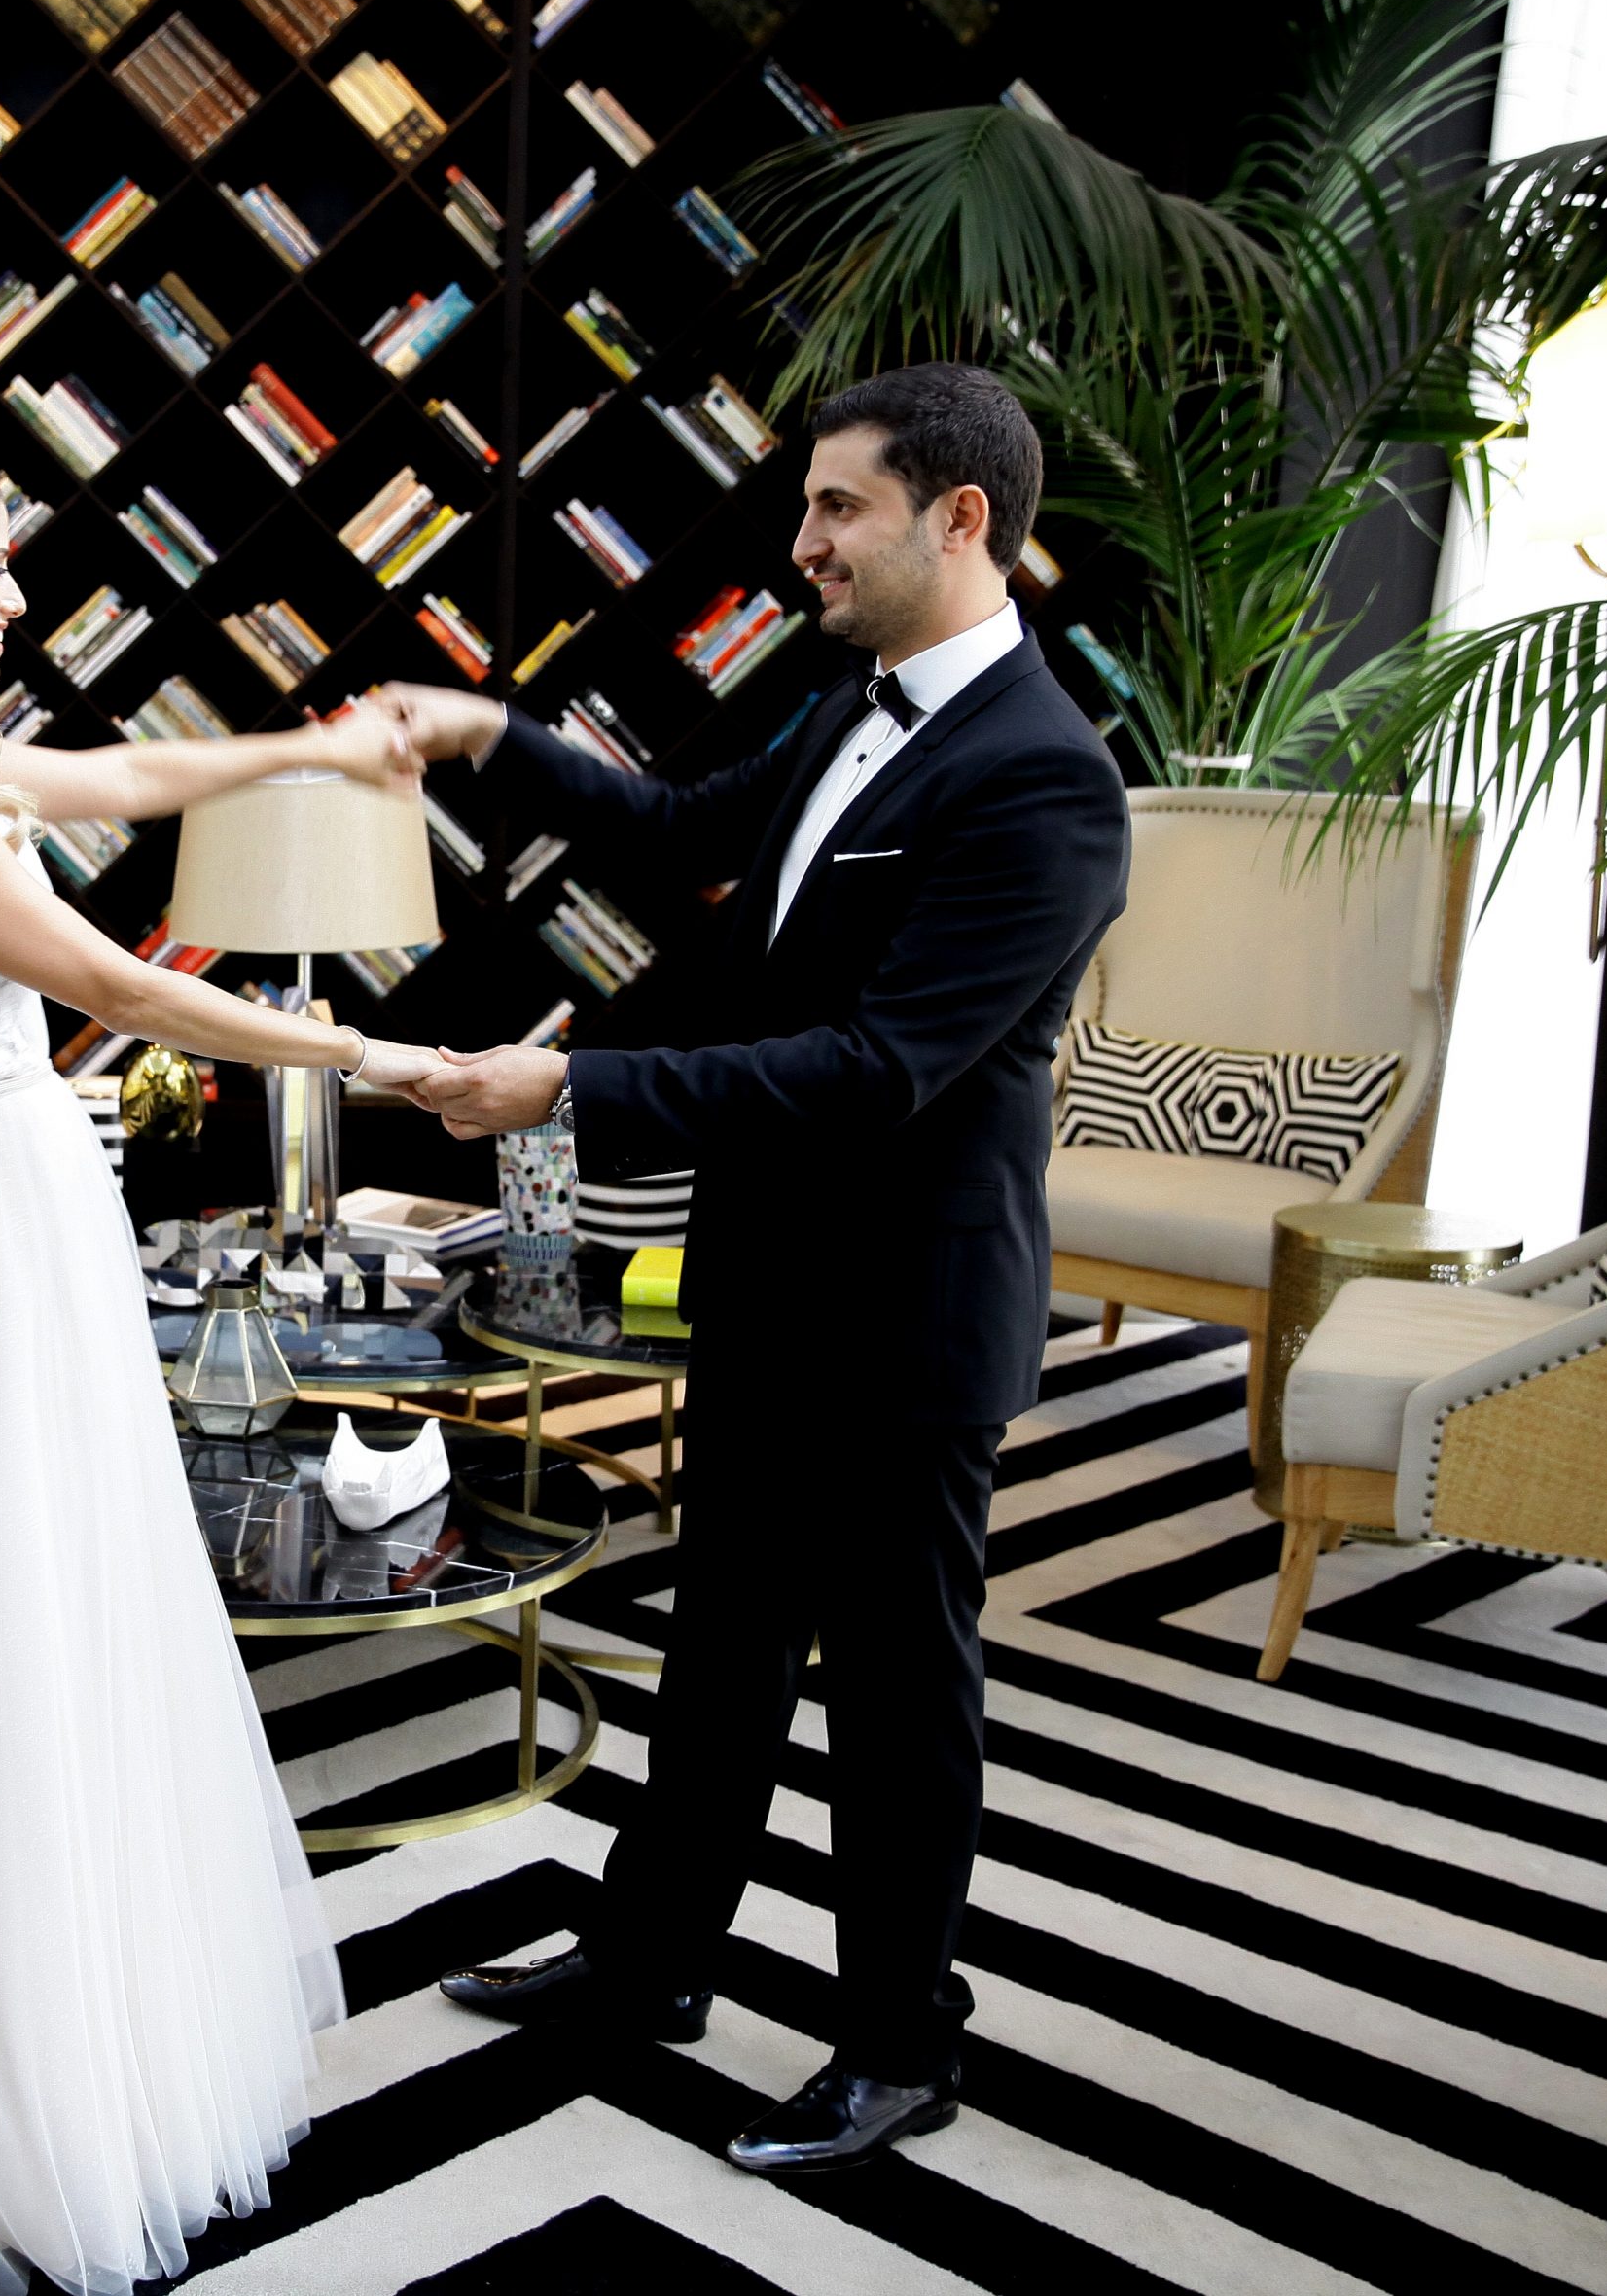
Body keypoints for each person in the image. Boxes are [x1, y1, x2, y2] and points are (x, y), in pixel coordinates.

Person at [366, 365, 1129, 2175]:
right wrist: (488, 733)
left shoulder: (1047, 780)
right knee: (720, 1649)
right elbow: (678, 824)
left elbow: (877, 1069)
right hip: (772, 1275)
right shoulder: (853, 694)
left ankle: (901, 2046)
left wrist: (572, 1090)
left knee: (897, 1695)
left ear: (962, 519)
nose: (803, 545)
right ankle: (649, 1963)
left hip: (910, 1314)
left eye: (838, 508)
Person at [0, 432, 442, 2295]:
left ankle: (36, 2001)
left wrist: (302, 747)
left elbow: (123, 776)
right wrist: (381, 1066)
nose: (16, 593)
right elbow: (109, 985)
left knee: (15, 1587)